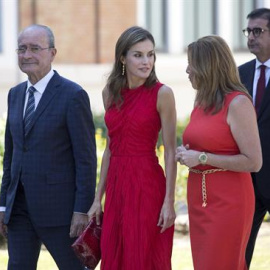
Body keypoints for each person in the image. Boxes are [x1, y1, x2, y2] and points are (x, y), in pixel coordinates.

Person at [0, 24, 97, 270]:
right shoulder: (15, 94)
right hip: (19, 211)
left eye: (35, 48)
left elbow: (85, 159)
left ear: (52, 53)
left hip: (60, 212)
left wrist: (81, 210)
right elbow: (10, 157)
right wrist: (3, 205)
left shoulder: (72, 95)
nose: (27, 55)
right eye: (21, 49)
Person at [87, 26, 177, 270]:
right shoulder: (110, 93)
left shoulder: (163, 94)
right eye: (138, 55)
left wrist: (169, 201)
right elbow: (110, 147)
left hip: (147, 184)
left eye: (150, 54)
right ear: (122, 58)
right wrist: (98, 198)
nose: (146, 61)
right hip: (117, 186)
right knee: (114, 252)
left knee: (144, 255)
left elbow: (170, 150)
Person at [175, 35, 262, 270]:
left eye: (191, 63)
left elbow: (254, 162)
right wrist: (185, 153)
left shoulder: (238, 103)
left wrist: (203, 158)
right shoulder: (201, 102)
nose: (187, 70)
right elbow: (206, 143)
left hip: (229, 201)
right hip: (198, 198)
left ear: (207, 66)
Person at [239, 8, 270, 268]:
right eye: (249, 31)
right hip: (245, 182)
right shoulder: (239, 75)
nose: (251, 37)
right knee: (240, 254)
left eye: (258, 31)